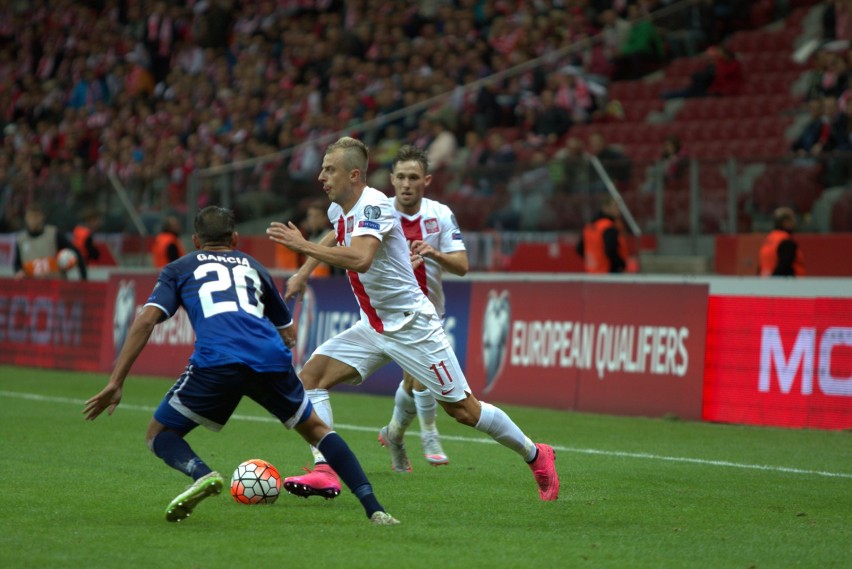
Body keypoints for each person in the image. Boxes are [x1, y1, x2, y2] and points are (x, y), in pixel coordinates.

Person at [266, 137, 558, 501]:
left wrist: (302, 248)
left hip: (412, 327)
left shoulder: (374, 206)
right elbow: (336, 233)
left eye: (330, 170)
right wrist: (306, 271)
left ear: (354, 175)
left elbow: (360, 259)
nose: (321, 177)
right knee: (310, 377)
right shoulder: (338, 210)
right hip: (373, 327)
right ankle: (326, 469)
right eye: (323, 168)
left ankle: (536, 455)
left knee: (464, 411)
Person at [83, 206, 399, 525]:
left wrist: (116, 380)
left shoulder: (178, 268)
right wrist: (281, 338)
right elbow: (287, 331)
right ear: (235, 238)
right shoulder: (254, 266)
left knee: (159, 434)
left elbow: (146, 319)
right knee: (318, 430)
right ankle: (375, 508)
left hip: (217, 361)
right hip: (270, 358)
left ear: (195, 240)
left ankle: (202, 474)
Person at [377, 144, 469, 468]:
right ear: (391, 179)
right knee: (424, 377)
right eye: (400, 177)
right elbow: (340, 235)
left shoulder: (440, 214)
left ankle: (394, 433)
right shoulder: (379, 211)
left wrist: (435, 254)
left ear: (426, 180)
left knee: (411, 380)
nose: (405, 184)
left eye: (413, 177)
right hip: (390, 312)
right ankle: (429, 433)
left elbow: (462, 266)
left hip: (430, 309)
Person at [13, 201, 87, 280]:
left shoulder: (53, 234)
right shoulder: (21, 240)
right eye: (30, 216)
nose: (33, 220)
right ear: (26, 218)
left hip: (54, 286)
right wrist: (19, 271)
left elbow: (76, 253)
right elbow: (17, 264)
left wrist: (83, 279)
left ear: (42, 217)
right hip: (32, 288)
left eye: (36, 216)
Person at [576, 195, 628, 274]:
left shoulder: (590, 226)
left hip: (592, 272)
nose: (618, 210)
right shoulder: (608, 227)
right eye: (615, 206)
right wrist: (621, 265)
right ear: (605, 208)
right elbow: (610, 250)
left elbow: (580, 249)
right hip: (607, 272)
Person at [759, 206, 805, 277]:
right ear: (785, 222)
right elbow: (784, 267)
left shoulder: (768, 240)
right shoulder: (786, 242)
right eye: (793, 219)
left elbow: (761, 266)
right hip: (788, 286)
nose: (795, 223)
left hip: (766, 283)